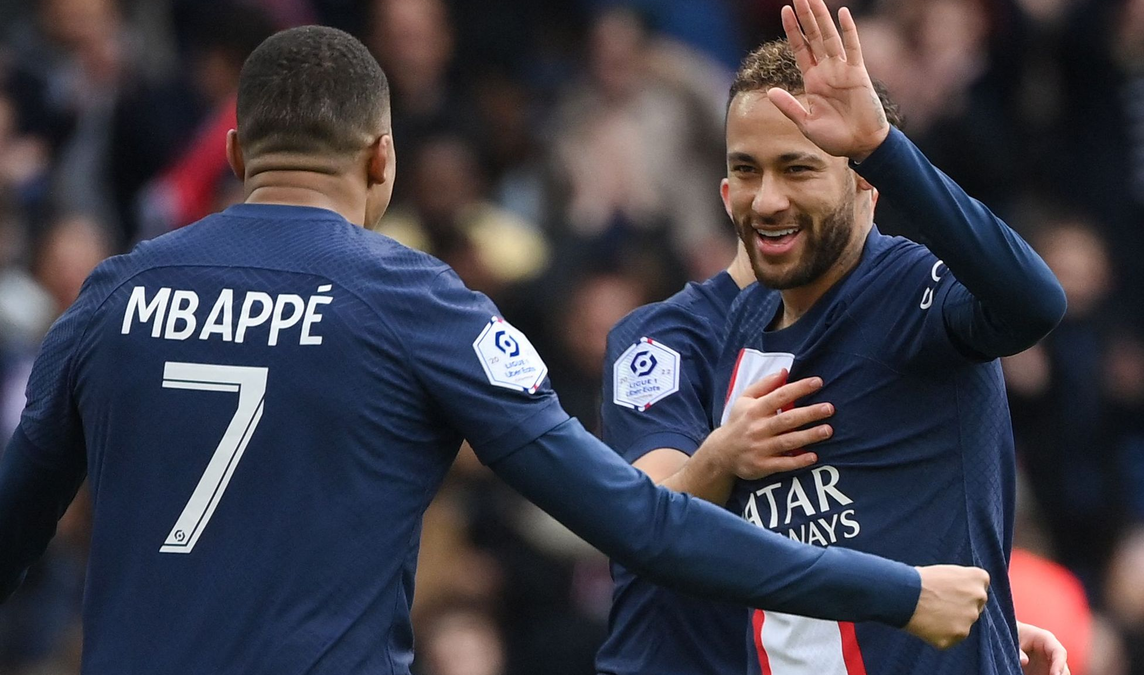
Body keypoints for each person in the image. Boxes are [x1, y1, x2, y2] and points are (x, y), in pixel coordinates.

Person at [0, 26, 991, 675]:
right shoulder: (414, 303)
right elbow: (639, 521)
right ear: (382, 158)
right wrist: (897, 592)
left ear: (233, 156)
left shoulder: (111, 297)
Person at [599, 0, 1068, 672]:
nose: (768, 199)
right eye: (748, 170)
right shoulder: (730, 331)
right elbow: (676, 538)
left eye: (798, 168)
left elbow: (1035, 303)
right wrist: (720, 459)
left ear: (866, 184)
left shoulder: (912, 291)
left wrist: (884, 146)